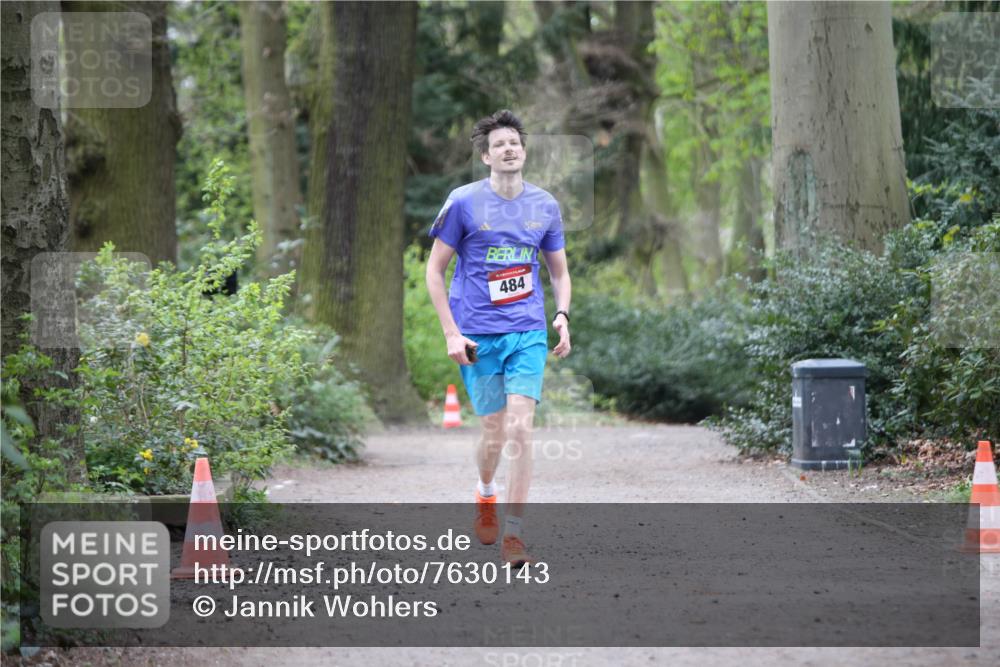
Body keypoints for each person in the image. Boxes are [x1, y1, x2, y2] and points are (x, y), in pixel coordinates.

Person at [425, 109, 572, 567]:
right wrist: (451, 333)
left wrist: (562, 315)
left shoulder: (544, 205)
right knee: (492, 432)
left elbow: (559, 272)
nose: (509, 149)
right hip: (477, 335)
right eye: (500, 145)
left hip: (527, 330)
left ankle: (515, 534)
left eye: (515, 143)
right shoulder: (463, 203)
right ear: (487, 157)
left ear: (523, 152)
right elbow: (434, 271)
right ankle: (485, 492)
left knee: (520, 429)